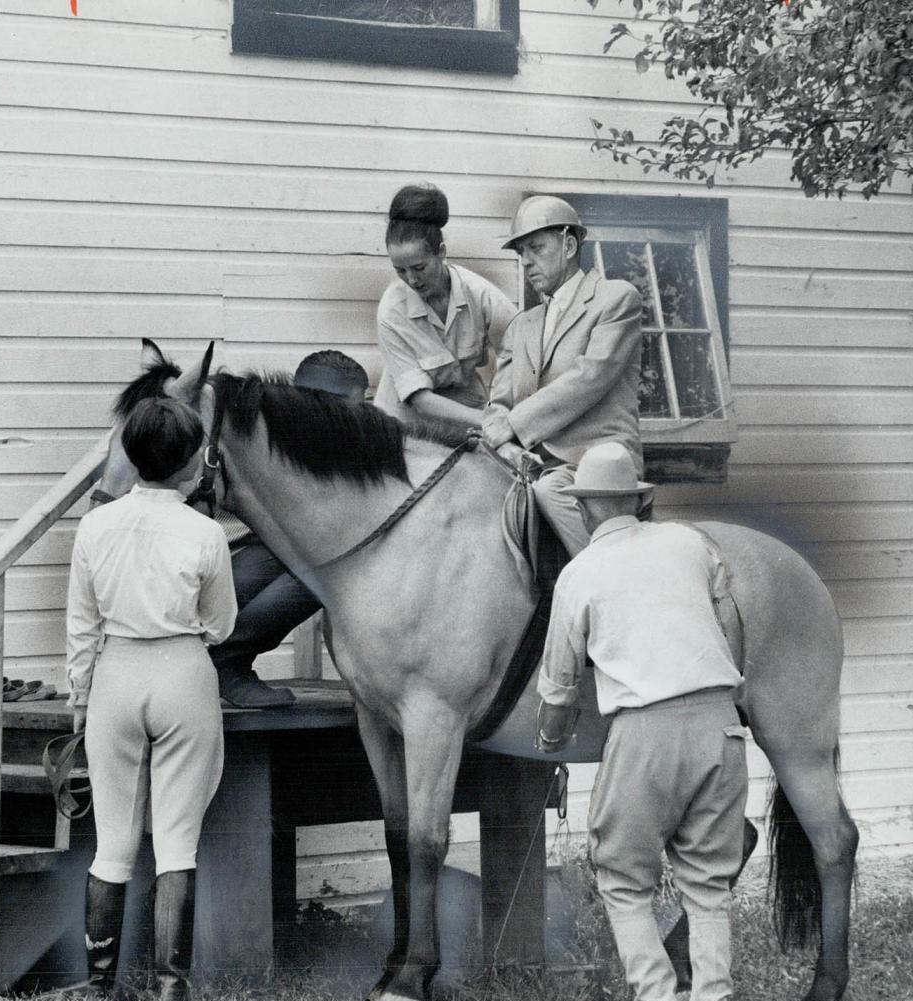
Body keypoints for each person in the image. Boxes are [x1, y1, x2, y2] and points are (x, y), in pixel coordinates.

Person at [534, 442, 746, 1001]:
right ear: (637, 500)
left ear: (585, 510)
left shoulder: (580, 575)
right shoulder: (689, 543)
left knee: (624, 879)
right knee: (708, 886)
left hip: (645, 730)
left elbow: (560, 683)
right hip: (720, 723)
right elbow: (729, 623)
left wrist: (550, 739)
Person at [66, 396, 238, 1001]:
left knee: (112, 842)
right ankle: (170, 993)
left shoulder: (95, 526)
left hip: (116, 673)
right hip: (181, 673)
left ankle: (99, 984)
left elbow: (82, 624)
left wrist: (81, 695)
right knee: (177, 840)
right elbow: (220, 625)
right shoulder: (206, 533)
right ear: (193, 462)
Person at [481, 195, 643, 555]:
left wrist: (515, 425)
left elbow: (589, 378)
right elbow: (499, 404)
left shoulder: (615, 299)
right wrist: (505, 445)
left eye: (536, 248)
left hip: (597, 467)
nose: (526, 261)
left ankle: (611, 581)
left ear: (569, 245)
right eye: (521, 252)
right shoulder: (522, 326)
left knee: (550, 491)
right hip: (527, 466)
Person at [209, 350, 370, 708]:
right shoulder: (259, 433)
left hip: (262, 550)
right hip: (218, 554)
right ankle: (226, 661)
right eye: (348, 410)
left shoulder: (335, 443)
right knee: (321, 570)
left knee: (321, 563)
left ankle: (224, 660)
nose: (357, 419)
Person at [374, 183, 518, 427]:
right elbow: (419, 400)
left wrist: (502, 407)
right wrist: (486, 420)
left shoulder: (479, 294)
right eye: (400, 271)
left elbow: (521, 350)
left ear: (441, 252)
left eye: (419, 268)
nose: (411, 280)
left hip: (467, 408)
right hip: (406, 421)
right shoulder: (391, 311)